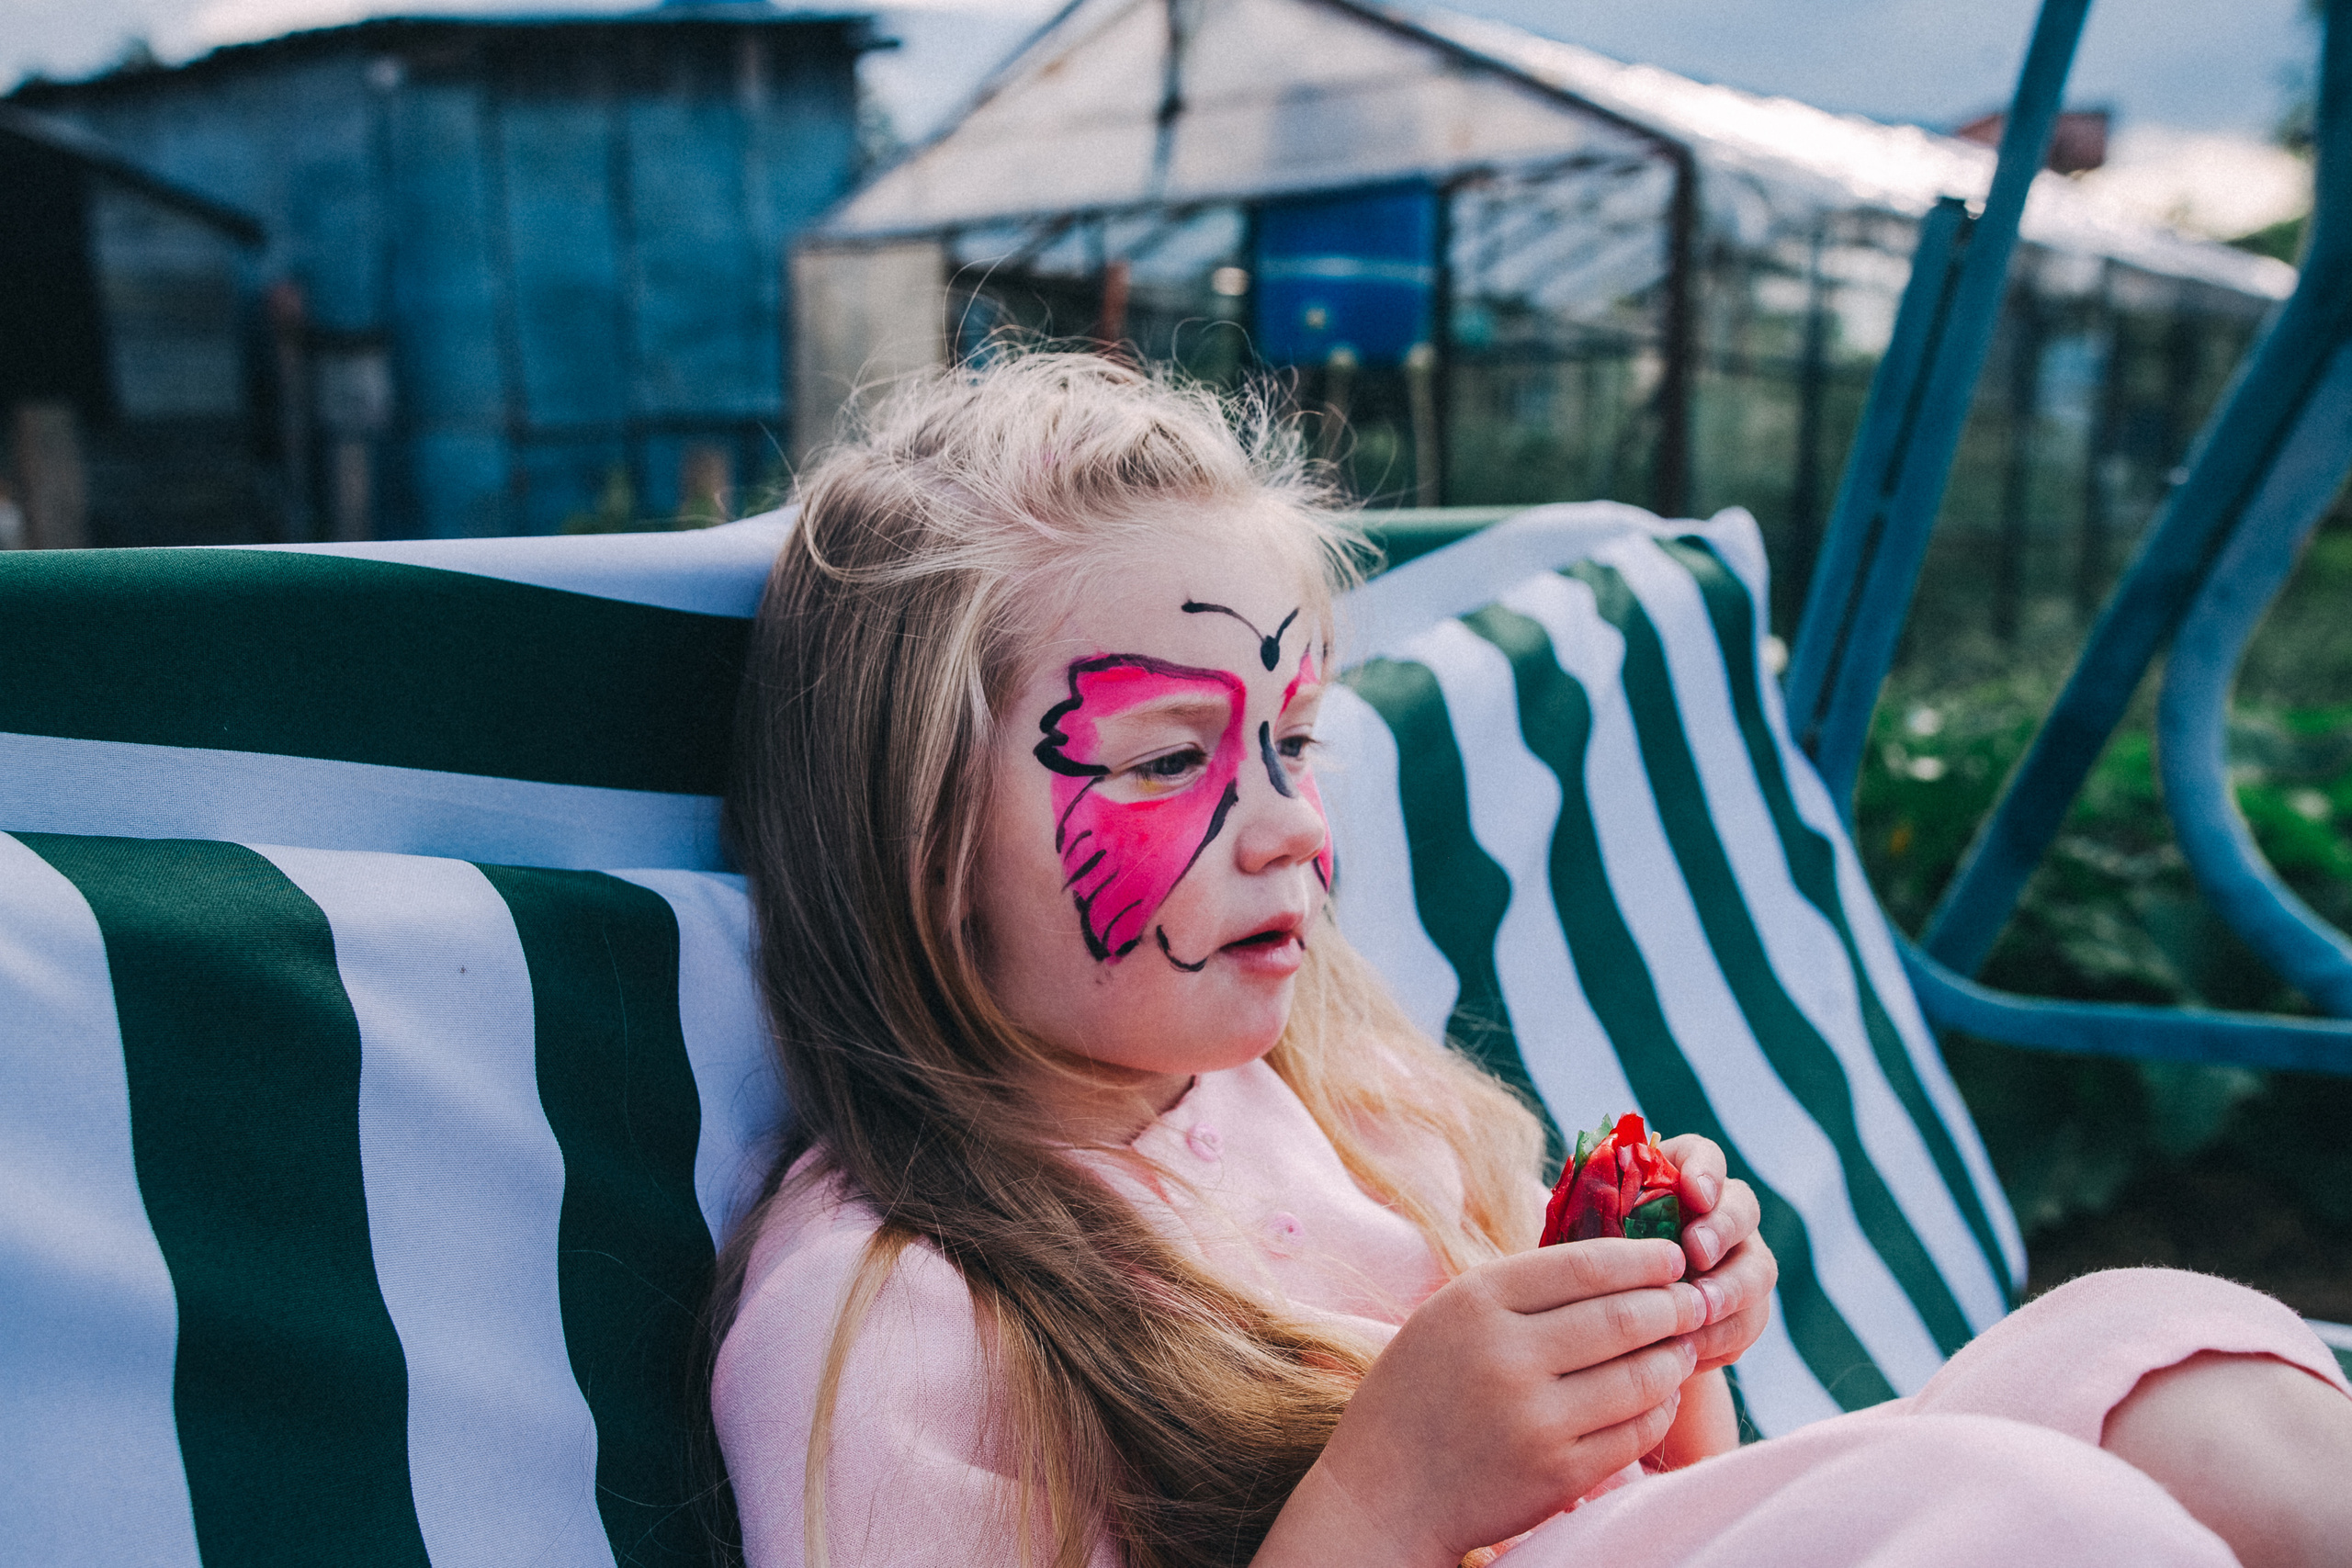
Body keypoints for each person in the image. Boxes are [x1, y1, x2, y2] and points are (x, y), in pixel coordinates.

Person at [710, 352, 2352, 1568]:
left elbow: (1643, 1515)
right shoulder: (895, 1316)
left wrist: (1659, 1355)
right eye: (1166, 759)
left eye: (1295, 739)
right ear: (919, 834)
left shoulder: (1348, 1106)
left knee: (2176, 1369)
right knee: (2029, 1510)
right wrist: (1379, 1502)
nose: (1288, 827)